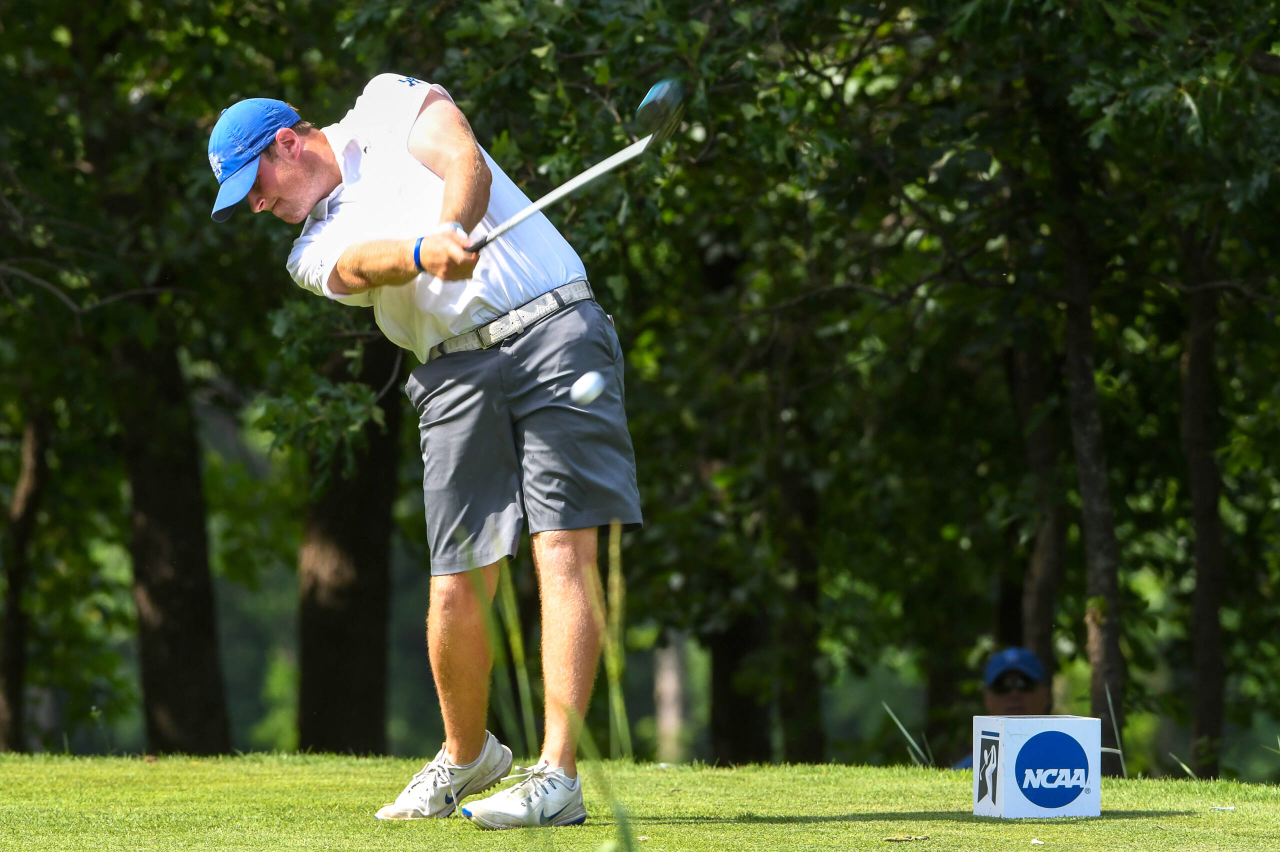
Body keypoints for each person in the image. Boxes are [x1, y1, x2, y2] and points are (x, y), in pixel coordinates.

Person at [205, 74, 642, 830]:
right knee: (455, 585)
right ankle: (468, 754)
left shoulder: (384, 105)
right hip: (450, 371)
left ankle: (558, 776)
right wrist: (423, 249)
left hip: (554, 329)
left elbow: (461, 156)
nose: (257, 204)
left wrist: (455, 224)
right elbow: (357, 266)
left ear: (287, 143)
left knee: (563, 551)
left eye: (256, 184)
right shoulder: (307, 247)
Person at [953, 647, 1052, 769]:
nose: (1014, 694)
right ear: (986, 698)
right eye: (1001, 686)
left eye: (1025, 683)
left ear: (1046, 694)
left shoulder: (1072, 769)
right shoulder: (963, 774)